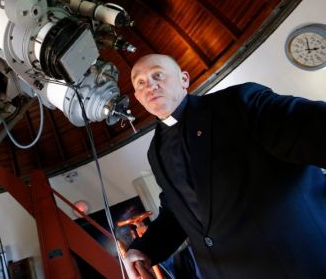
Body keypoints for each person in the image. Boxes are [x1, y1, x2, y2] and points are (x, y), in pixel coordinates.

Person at [124, 54, 326, 279]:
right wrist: (144, 249)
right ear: (138, 97)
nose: (150, 85)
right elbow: (177, 212)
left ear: (184, 79)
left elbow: (314, 126)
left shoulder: (239, 103)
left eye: (157, 75)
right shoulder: (155, 151)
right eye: (140, 83)